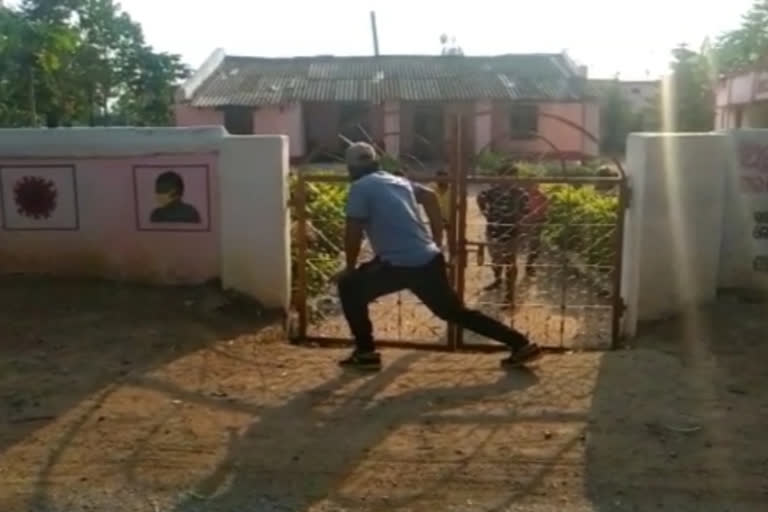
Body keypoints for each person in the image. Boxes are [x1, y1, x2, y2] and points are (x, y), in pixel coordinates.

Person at [335, 142, 541, 371]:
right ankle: (520, 343)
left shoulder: (360, 188)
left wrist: (350, 267)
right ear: (375, 162)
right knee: (454, 312)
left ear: (350, 168)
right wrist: (435, 241)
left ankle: (366, 353)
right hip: (426, 259)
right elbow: (431, 196)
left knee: (349, 285)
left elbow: (353, 231)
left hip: (399, 264)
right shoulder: (398, 181)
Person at [476, 164, 529, 292]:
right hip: (493, 231)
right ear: (499, 177)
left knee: (510, 261)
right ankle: (498, 280)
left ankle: (509, 294)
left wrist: (522, 230)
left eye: (512, 176)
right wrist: (484, 212)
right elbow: (480, 197)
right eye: (504, 176)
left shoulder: (520, 193)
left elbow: (525, 213)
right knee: (496, 260)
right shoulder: (492, 191)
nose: (508, 180)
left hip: (511, 233)